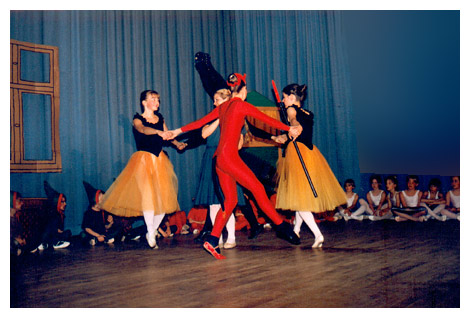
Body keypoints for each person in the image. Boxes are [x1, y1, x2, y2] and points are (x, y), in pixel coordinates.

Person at [164, 73, 302, 259]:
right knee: (258, 189)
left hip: (219, 160)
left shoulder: (223, 107)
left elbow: (200, 123)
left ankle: (212, 239)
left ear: (231, 89)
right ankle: (282, 226)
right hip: (230, 158)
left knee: (230, 202)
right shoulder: (241, 105)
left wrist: (176, 131)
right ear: (243, 90)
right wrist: (288, 128)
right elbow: (265, 119)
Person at [99, 90, 187, 250]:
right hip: (143, 162)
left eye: (158, 100)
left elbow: (168, 134)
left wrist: (176, 143)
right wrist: (157, 132)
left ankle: (151, 231)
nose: (157, 102)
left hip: (160, 161)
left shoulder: (160, 118)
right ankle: (151, 232)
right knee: (148, 198)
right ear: (144, 102)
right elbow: (143, 130)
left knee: (163, 201)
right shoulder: (138, 119)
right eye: (153, 99)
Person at [272, 83, 347, 248]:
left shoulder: (292, 110)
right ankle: (296, 230)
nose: (283, 101)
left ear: (292, 98)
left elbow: (293, 120)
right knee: (301, 197)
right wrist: (282, 138)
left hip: (298, 155)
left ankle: (318, 234)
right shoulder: (308, 113)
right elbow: (297, 133)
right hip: (309, 153)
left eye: (284, 97)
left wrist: (293, 123)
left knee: (299, 200)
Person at [80, 181, 121, 246]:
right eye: (102, 200)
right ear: (95, 201)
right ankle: (96, 240)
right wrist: (98, 235)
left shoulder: (103, 212)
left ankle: (103, 239)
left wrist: (110, 223)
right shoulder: (88, 213)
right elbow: (87, 228)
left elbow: (106, 227)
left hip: (101, 233)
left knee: (117, 230)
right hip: (93, 233)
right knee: (83, 235)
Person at [36, 181, 72, 250]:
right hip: (47, 235)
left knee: (68, 233)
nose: (65, 204)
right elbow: (49, 228)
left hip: (53, 235)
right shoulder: (51, 213)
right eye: (62, 202)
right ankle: (51, 242)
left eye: (65, 202)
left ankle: (50, 243)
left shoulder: (60, 214)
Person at [10, 191, 26, 256]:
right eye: (19, 201)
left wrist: (21, 238)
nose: (22, 203)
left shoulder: (16, 217)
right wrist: (16, 239)